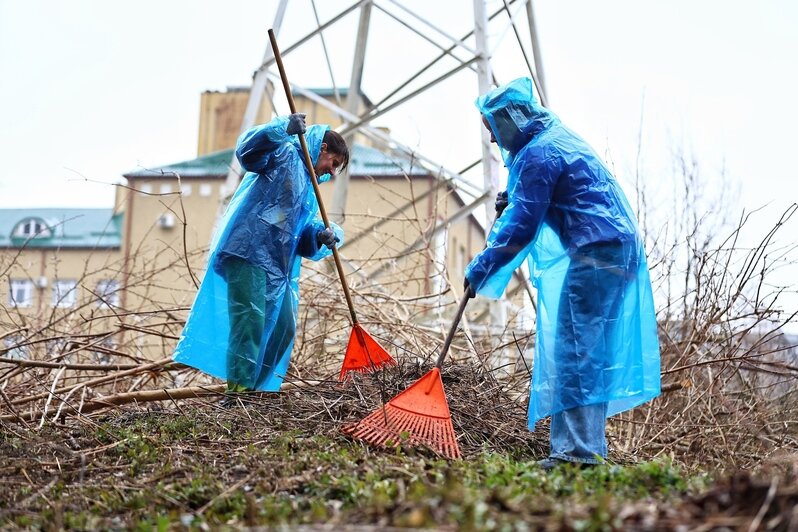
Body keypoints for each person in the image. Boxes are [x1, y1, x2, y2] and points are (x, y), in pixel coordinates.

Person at [464, 77, 660, 469]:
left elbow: (520, 228)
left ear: (509, 121)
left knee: (574, 348)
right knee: (589, 348)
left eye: (493, 131)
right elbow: (565, 205)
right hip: (615, 249)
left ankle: (576, 455)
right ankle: (587, 448)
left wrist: (481, 267)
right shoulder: (555, 139)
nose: (492, 142)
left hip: (597, 252)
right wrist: (520, 200)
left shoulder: (538, 153)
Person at [174, 113, 348, 393]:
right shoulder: (285, 153)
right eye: (334, 163)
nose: (331, 172)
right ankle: (239, 395)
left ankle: (255, 392)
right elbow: (249, 154)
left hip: (278, 269)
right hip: (246, 253)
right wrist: (279, 130)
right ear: (323, 148)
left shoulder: (310, 190)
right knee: (250, 325)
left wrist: (320, 235)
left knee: (283, 329)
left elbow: (301, 235)